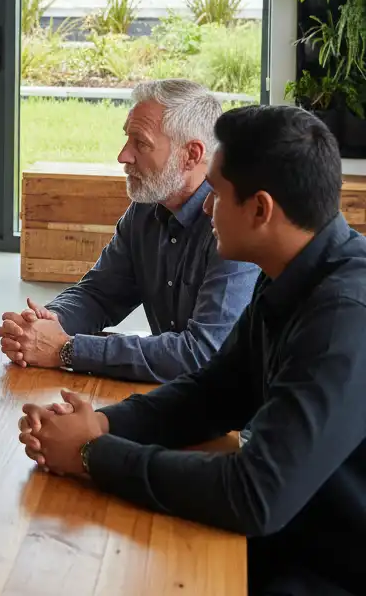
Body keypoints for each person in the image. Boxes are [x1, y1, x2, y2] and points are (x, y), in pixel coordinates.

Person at [18, 105, 366, 596]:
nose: (205, 207)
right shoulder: (292, 274)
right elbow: (213, 393)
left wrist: (91, 455)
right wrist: (105, 424)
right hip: (289, 539)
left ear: (261, 210)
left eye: (218, 193)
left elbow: (255, 493)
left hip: (326, 567)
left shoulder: (344, 316)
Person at [0, 79, 258, 382]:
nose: (123, 156)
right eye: (127, 139)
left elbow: (202, 354)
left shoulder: (234, 225)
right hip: (177, 400)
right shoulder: (146, 208)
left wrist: (66, 348)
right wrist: (46, 322)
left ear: (191, 154)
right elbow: (99, 294)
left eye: (141, 143)